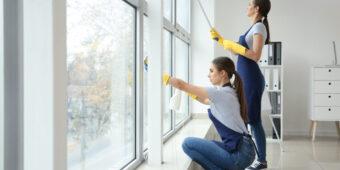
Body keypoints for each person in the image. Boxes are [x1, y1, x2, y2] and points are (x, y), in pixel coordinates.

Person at [163, 56, 255, 170]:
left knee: (187, 143)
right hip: (246, 150)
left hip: (240, 155)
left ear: (222, 73)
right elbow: (204, 100)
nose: (208, 75)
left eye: (211, 71)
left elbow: (182, 85)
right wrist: (186, 91)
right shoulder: (228, 91)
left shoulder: (220, 92)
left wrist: (160, 75)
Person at [210, 0, 271, 169]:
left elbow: (256, 55)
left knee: (252, 119)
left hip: (251, 79)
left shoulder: (259, 27)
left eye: (250, 3)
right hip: (244, 78)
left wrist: (234, 45)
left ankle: (260, 160)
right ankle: (238, 154)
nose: (247, 6)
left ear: (257, 8)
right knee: (243, 116)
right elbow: (239, 53)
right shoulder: (252, 29)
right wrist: (221, 41)